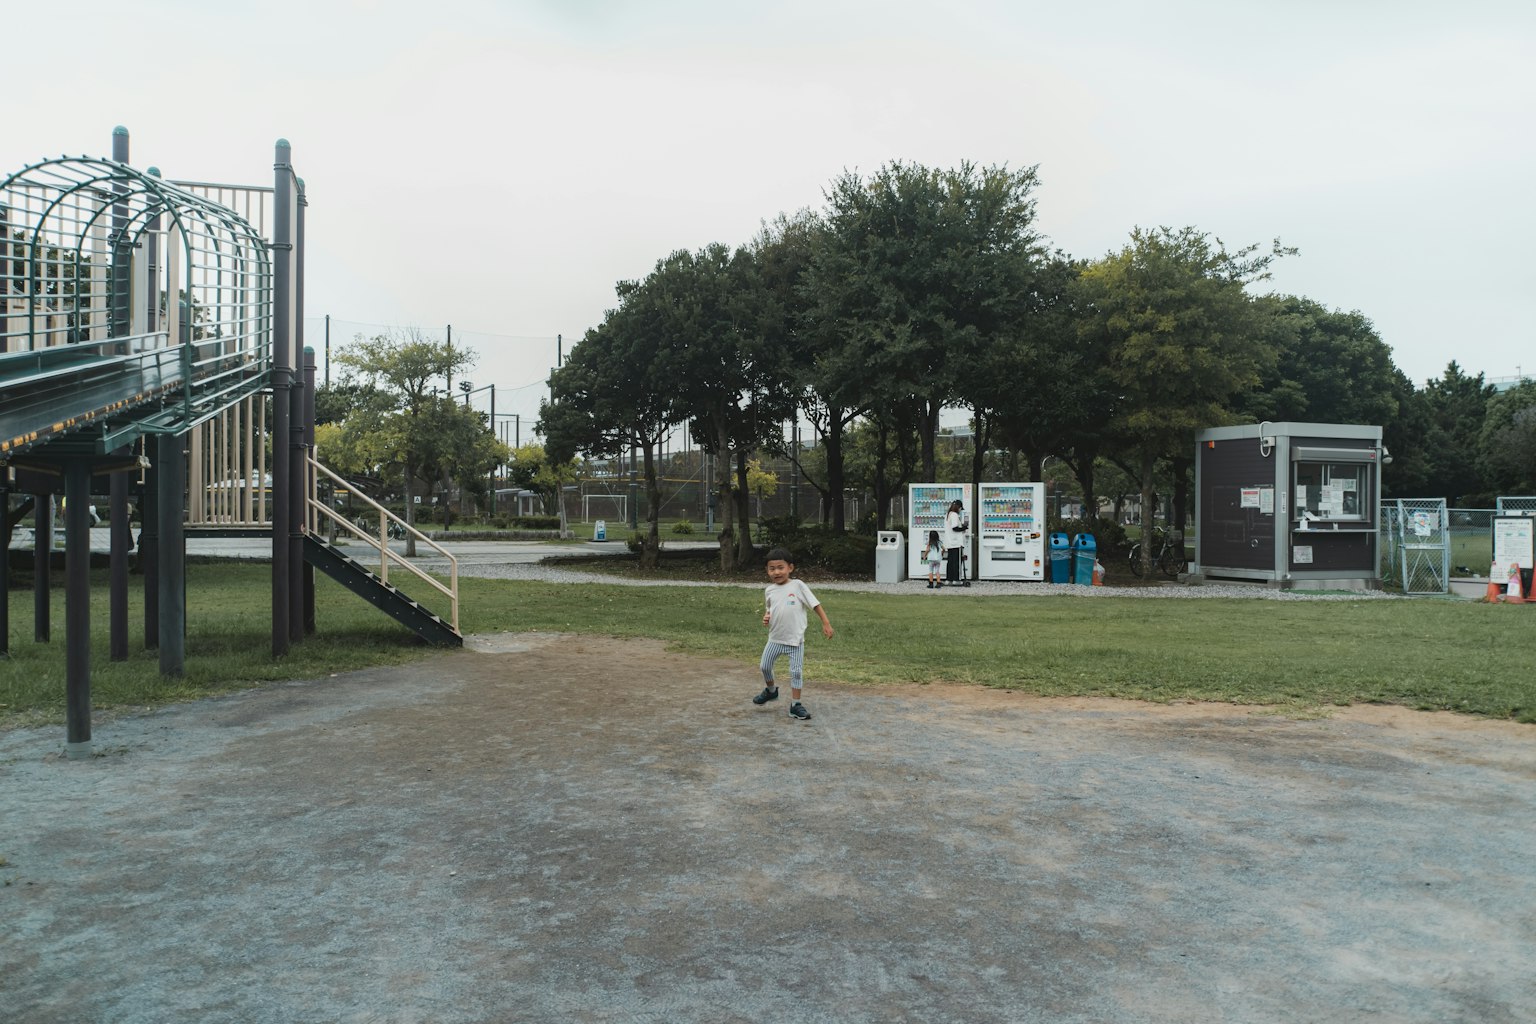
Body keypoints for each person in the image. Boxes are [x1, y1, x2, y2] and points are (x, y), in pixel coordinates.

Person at [753, 546, 834, 721]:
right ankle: (771, 691)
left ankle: (796, 705)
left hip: (795, 641)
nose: (776, 572)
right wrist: (766, 617)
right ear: (767, 570)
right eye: (772, 568)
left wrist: (826, 623)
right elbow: (770, 609)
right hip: (775, 639)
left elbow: (815, 604)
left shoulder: (798, 585)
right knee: (764, 667)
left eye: (780, 567)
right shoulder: (769, 590)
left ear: (790, 568)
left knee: (796, 672)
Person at [944, 499, 969, 586]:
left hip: (950, 542)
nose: (960, 511)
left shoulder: (948, 514)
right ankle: (956, 579)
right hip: (956, 543)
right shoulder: (954, 515)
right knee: (957, 562)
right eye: (960, 509)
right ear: (958, 507)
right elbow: (954, 528)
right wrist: (964, 528)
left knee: (950, 562)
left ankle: (948, 579)